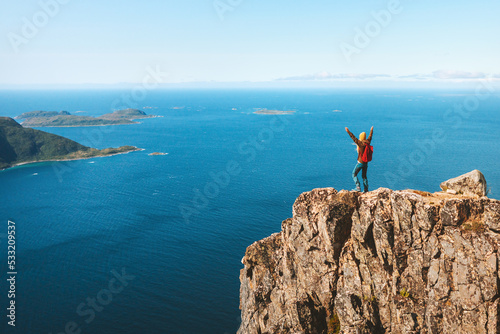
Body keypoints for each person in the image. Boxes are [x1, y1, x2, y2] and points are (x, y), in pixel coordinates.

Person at [345, 126, 373, 192]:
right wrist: (371, 130)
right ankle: (366, 189)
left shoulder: (360, 144)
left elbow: (353, 138)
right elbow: (370, 136)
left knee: (354, 174)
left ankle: (357, 187)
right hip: (366, 163)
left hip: (360, 163)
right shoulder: (368, 142)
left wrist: (348, 131)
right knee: (364, 176)